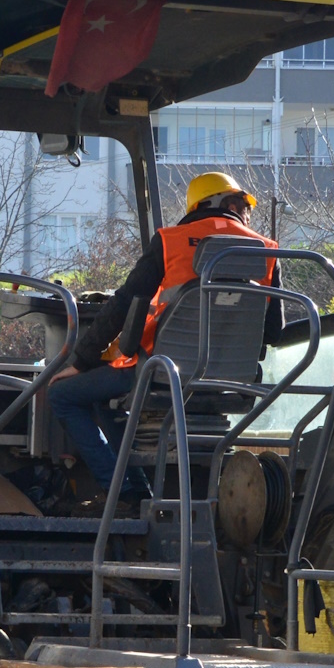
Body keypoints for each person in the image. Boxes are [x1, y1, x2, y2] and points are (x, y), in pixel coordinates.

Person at [49, 171, 280, 501]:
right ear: (230, 204)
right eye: (245, 206)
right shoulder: (268, 251)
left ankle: (127, 494)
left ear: (198, 205)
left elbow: (125, 302)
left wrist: (82, 361)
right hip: (233, 379)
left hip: (162, 373)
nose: (247, 215)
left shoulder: (171, 240)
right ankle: (134, 488)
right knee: (98, 395)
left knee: (63, 395)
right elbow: (274, 332)